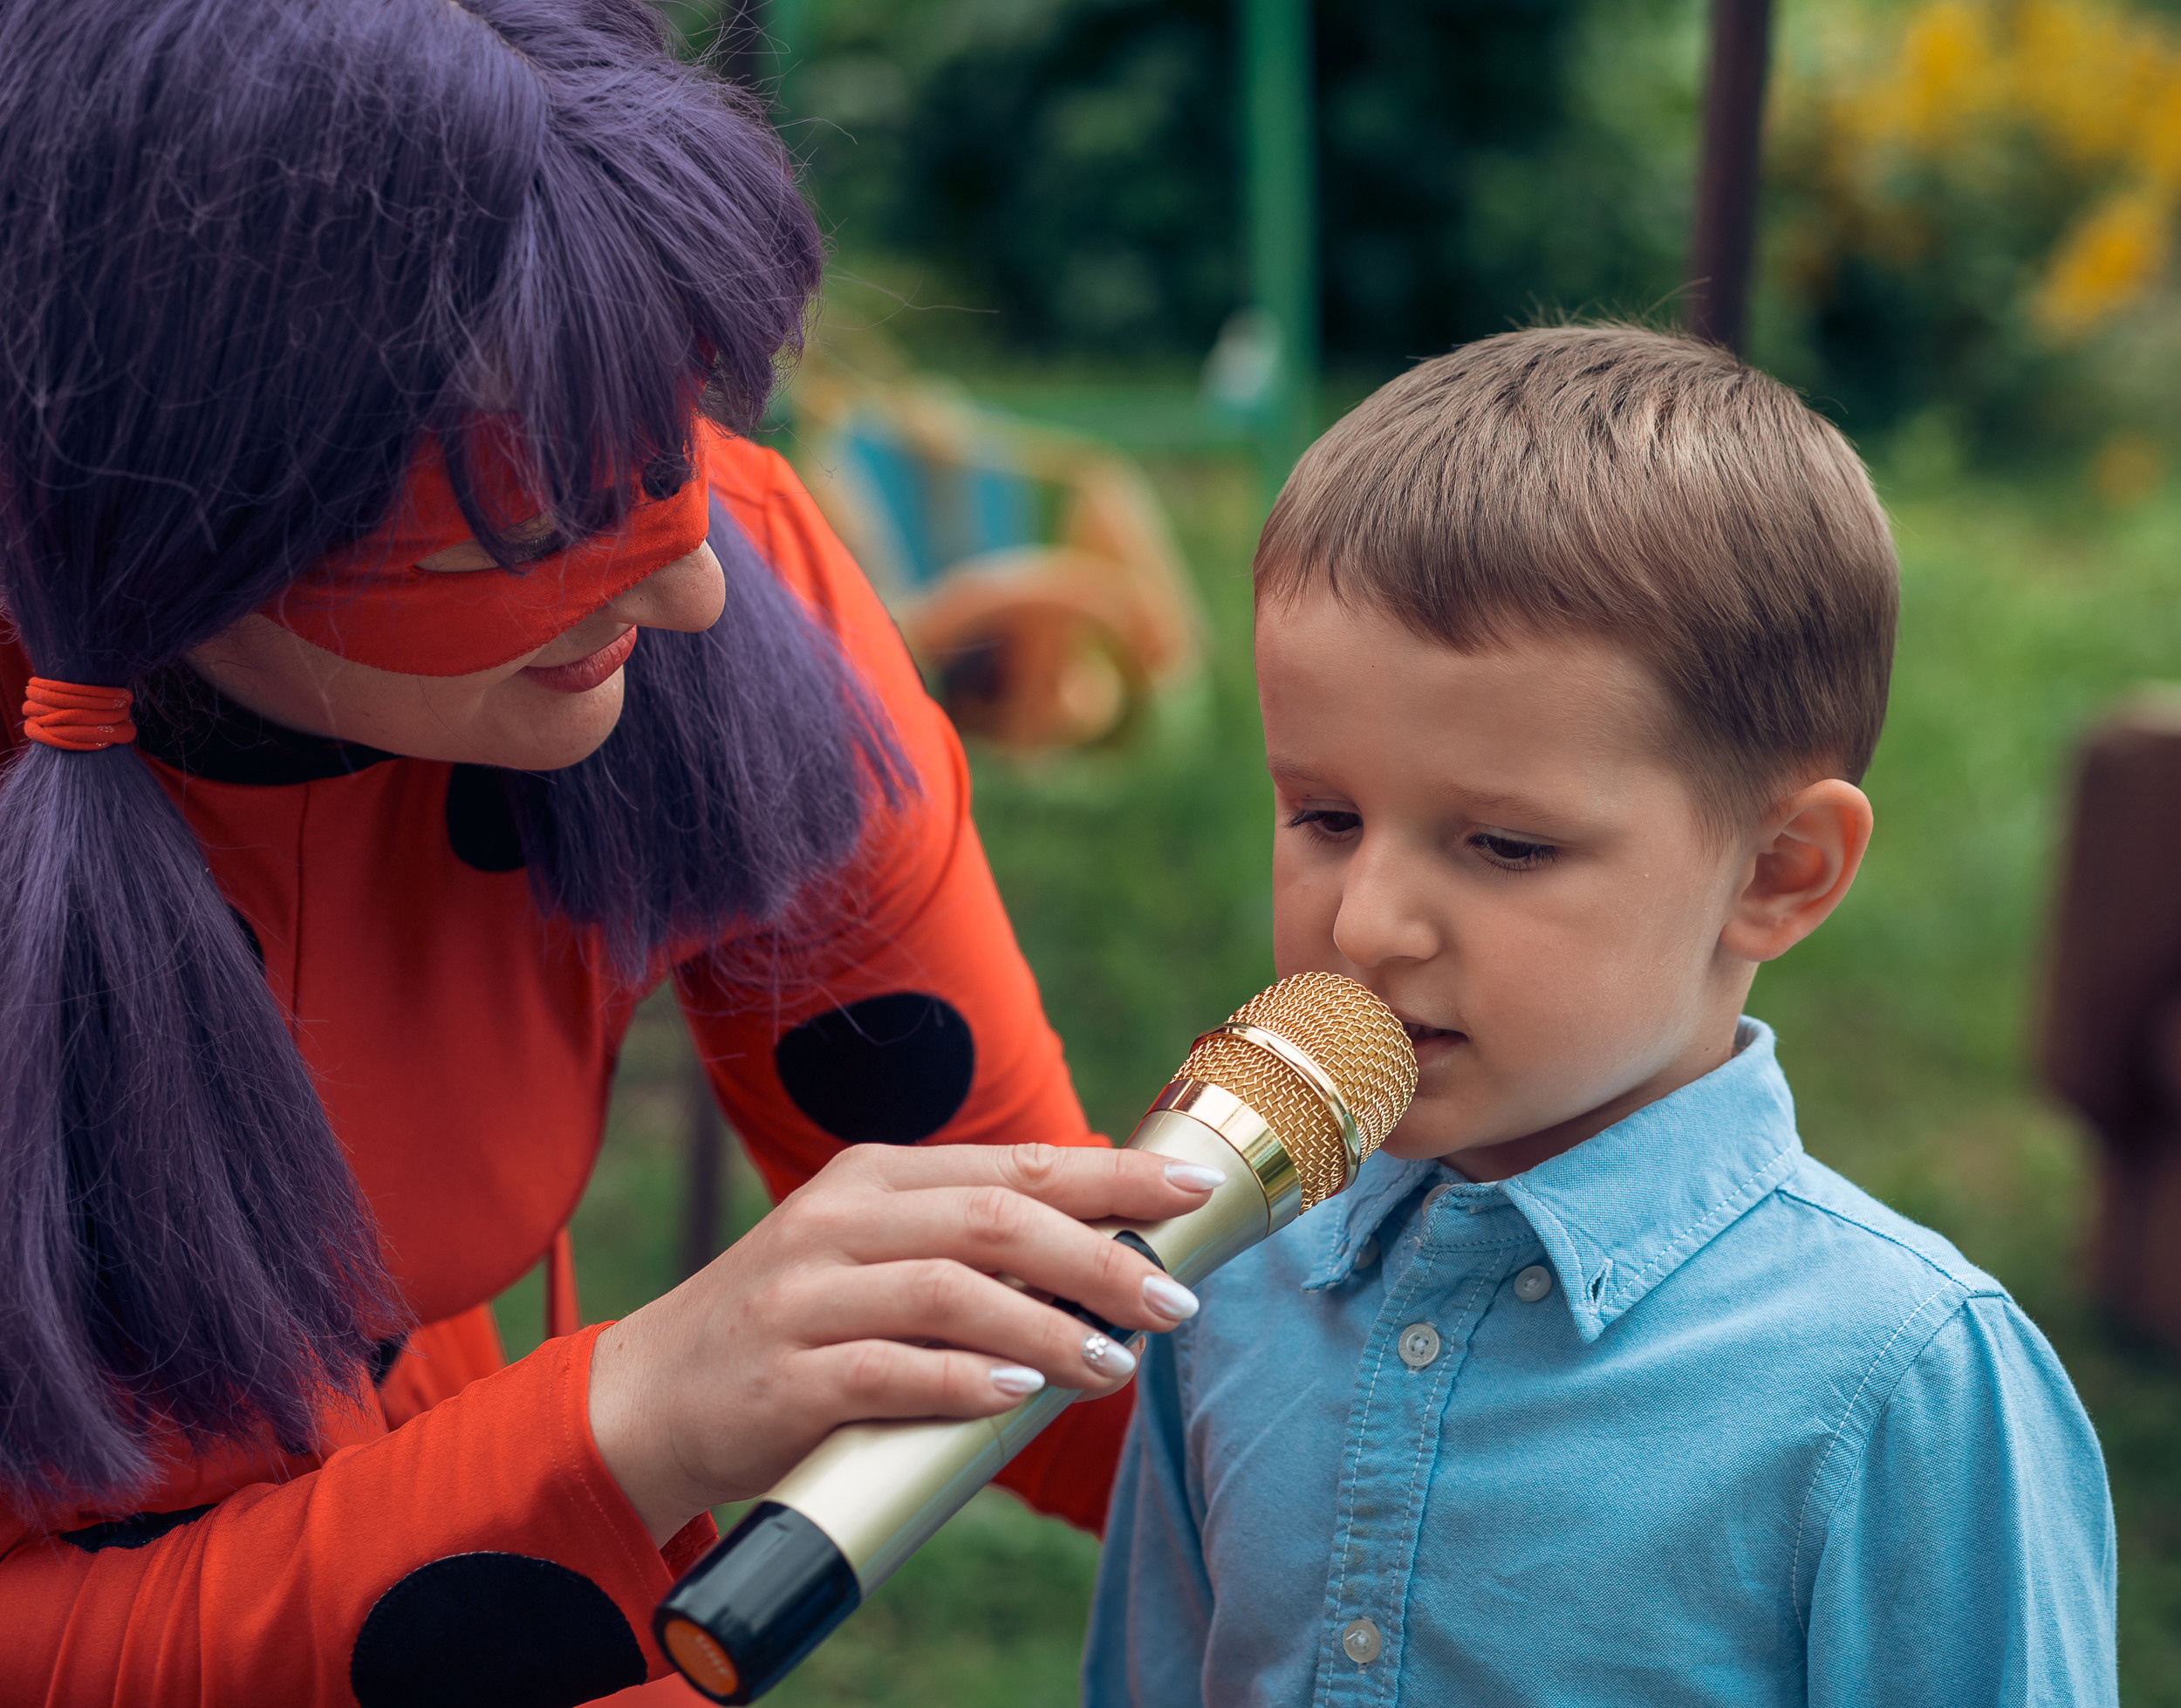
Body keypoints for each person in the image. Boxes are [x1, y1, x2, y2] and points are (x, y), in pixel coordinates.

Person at [0, 4, 1216, 1703]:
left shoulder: (734, 614)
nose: (694, 586)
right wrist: (622, 1421)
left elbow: (1042, 1320)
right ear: (181, 506)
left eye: (666, 460)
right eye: (535, 523)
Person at [1084, 325, 2118, 1706]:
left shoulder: (1902, 1379)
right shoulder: (1226, 1268)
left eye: (1504, 844)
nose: (1366, 923)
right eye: (1324, 816)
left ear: (1775, 873)